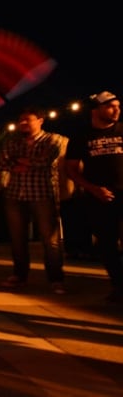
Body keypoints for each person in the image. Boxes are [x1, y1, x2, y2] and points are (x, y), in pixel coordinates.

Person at [0, 106, 65, 294]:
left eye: (28, 119)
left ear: (40, 120)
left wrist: (19, 161)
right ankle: (19, 275)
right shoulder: (13, 141)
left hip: (42, 194)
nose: (24, 123)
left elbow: (46, 161)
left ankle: (56, 279)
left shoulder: (52, 139)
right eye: (21, 120)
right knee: (17, 238)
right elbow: (2, 162)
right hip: (15, 194)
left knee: (50, 239)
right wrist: (28, 162)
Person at [65, 91, 123, 303]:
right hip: (99, 198)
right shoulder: (81, 137)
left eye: (118, 106)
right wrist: (93, 188)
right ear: (95, 110)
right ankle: (118, 285)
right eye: (110, 106)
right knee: (107, 244)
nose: (116, 110)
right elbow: (71, 170)